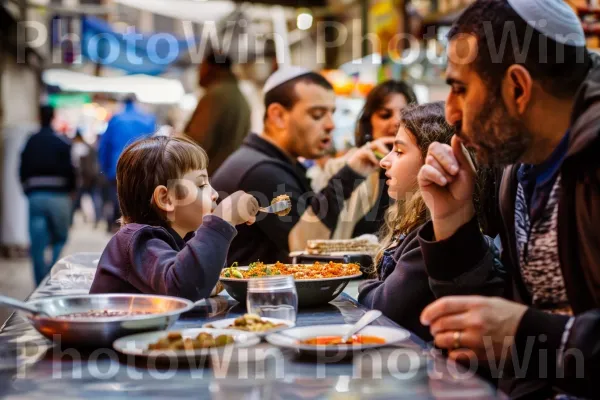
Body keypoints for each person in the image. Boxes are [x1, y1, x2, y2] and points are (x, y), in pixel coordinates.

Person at [412, 0, 600, 397]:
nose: (450, 115)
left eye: (460, 90)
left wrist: (534, 335)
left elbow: (525, 331)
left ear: (518, 87)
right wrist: (454, 225)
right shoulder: (517, 169)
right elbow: (502, 322)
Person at [212, 67, 391, 266]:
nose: (331, 124)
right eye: (317, 114)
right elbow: (305, 249)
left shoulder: (266, 161)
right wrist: (349, 174)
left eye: (332, 113)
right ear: (278, 116)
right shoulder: (262, 170)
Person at [89, 136, 259, 301]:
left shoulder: (182, 238)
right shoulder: (139, 241)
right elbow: (183, 288)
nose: (214, 194)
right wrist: (223, 220)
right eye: (201, 185)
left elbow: (203, 280)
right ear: (166, 199)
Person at [324, 80, 418, 239]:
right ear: (368, 122)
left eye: (405, 114)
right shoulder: (340, 167)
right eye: (385, 115)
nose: (396, 122)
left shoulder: (419, 169)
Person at [19, 105, 76, 284]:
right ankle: (50, 273)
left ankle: (39, 283)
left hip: (35, 196)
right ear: (53, 117)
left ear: (38, 116)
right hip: (58, 196)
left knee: (37, 244)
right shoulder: (62, 142)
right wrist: (72, 191)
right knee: (61, 237)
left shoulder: (30, 141)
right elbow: (71, 170)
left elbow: (21, 169)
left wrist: (27, 190)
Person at [184, 52, 251, 175]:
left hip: (210, 178)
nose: (199, 73)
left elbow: (194, 145)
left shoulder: (215, 97)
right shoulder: (239, 96)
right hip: (228, 176)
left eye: (201, 67)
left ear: (213, 68)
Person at [98, 95, 156, 232]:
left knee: (118, 199)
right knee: (141, 198)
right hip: (143, 166)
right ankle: (139, 227)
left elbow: (104, 146)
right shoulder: (148, 119)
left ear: (123, 103)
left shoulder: (115, 119)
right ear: (136, 102)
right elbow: (155, 146)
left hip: (117, 166)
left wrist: (104, 168)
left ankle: (119, 228)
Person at [71, 131, 102, 226]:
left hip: (83, 178)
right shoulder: (89, 147)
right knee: (94, 198)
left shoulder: (78, 147)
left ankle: (70, 221)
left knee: (76, 200)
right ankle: (97, 219)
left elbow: (78, 166)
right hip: (93, 176)